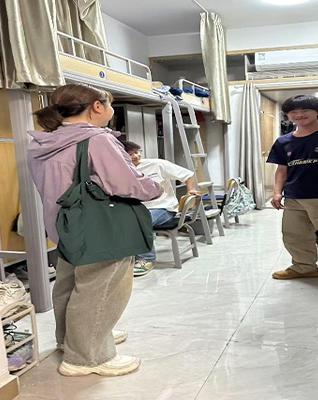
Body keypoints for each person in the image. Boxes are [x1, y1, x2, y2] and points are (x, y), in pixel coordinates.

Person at [27, 84, 163, 377]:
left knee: (68, 285)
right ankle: (86, 356)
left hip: (63, 224)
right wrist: (156, 186)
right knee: (101, 288)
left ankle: (71, 340)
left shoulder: (43, 142)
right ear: (97, 107)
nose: (111, 110)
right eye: (109, 104)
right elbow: (127, 183)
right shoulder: (97, 139)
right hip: (99, 228)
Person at [266, 95, 318, 293]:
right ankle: (304, 267)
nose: (299, 115)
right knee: (294, 235)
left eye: (305, 110)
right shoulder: (284, 141)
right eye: (293, 112)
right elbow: (282, 169)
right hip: (294, 197)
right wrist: (277, 193)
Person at [122, 141, 200, 276]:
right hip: (138, 209)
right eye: (130, 154)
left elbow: (188, 174)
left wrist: (191, 190)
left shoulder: (157, 164)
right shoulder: (121, 170)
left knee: (141, 222)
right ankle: (125, 257)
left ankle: (146, 259)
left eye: (137, 152)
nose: (136, 156)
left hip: (163, 207)